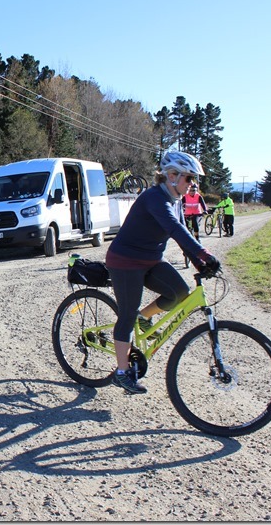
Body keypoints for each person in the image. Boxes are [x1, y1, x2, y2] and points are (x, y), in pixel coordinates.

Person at [105, 151, 220, 394]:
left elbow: (181, 236)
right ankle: (122, 372)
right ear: (171, 176)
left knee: (179, 292)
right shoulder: (155, 198)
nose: (193, 184)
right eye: (190, 178)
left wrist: (200, 264)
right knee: (127, 314)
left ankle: (144, 318)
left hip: (150, 260)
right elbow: (174, 228)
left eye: (194, 180)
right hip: (125, 260)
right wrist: (204, 253)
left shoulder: (175, 200)